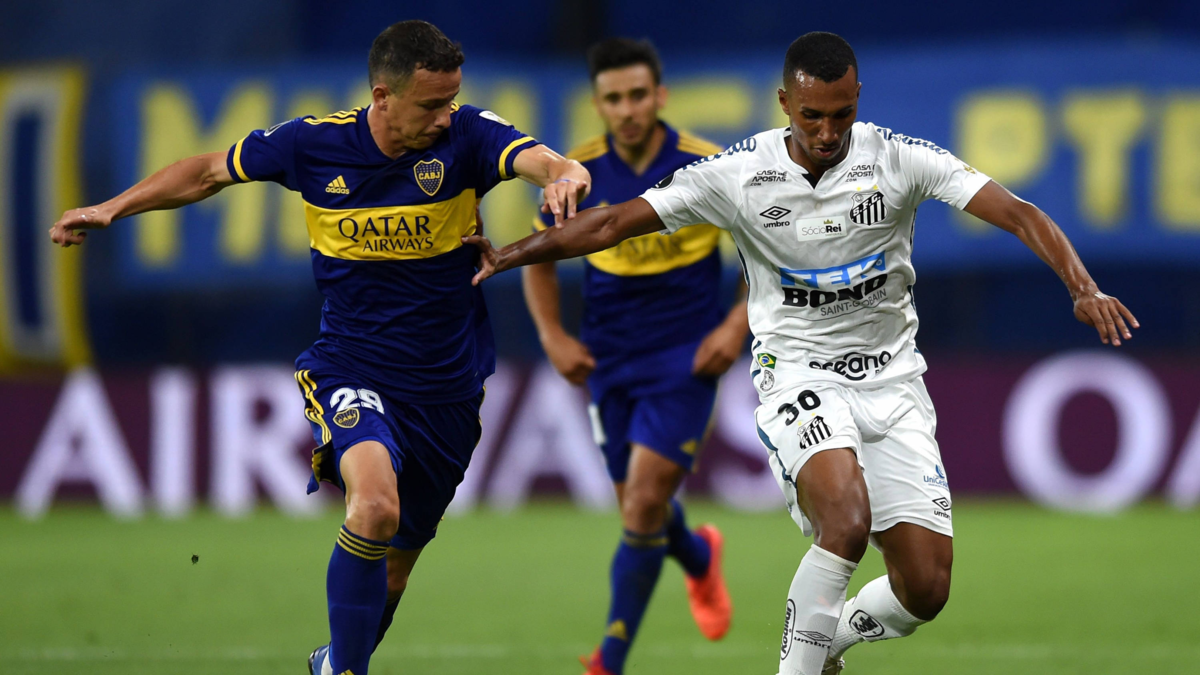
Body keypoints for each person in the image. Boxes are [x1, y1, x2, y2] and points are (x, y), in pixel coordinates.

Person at [463, 31, 1138, 675]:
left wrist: (1083, 287)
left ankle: (830, 638)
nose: (826, 131)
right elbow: (611, 222)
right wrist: (509, 254)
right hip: (797, 374)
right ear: (785, 102)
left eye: (842, 114)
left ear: (858, 97)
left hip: (894, 382)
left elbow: (1018, 211)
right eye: (811, 115)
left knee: (925, 588)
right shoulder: (737, 174)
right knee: (845, 521)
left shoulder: (899, 158)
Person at [48, 20, 590, 675]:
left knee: (395, 566)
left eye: (451, 101)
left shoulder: (469, 134)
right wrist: (113, 207)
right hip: (351, 366)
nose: (445, 117)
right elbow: (207, 171)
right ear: (382, 96)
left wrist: (563, 174)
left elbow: (543, 160)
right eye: (430, 105)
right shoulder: (313, 144)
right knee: (375, 506)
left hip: (448, 388)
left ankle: (334, 661)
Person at [522, 38, 744, 675]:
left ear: (660, 96)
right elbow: (540, 258)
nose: (627, 109)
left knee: (644, 503)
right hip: (609, 360)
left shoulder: (708, 165)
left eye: (638, 95)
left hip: (685, 358)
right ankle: (698, 555)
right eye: (613, 98)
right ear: (597, 104)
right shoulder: (577, 176)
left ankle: (609, 660)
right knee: (639, 510)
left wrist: (736, 324)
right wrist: (552, 335)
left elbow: (767, 251)